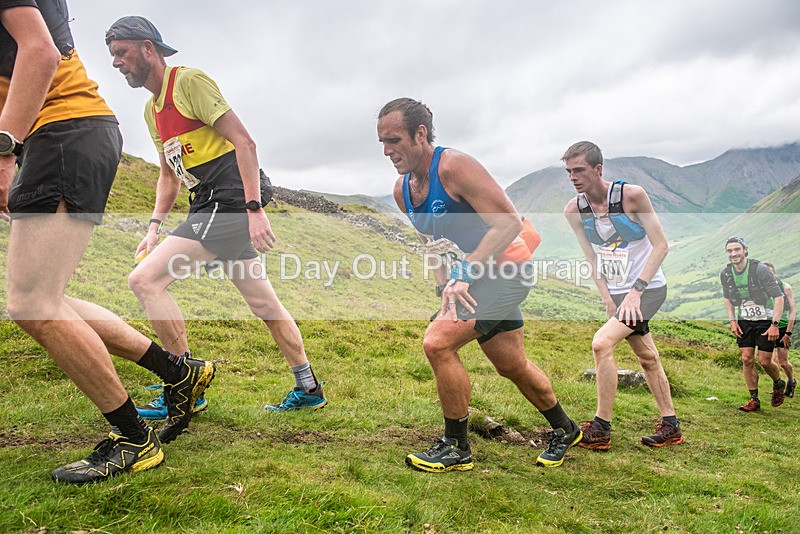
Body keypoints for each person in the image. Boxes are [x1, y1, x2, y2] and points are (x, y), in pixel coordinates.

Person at [1, 0, 214, 484]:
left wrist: (4, 150)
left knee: (32, 304)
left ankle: (135, 440)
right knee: (45, 299)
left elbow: (40, 51)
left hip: (60, 132)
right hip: (66, 133)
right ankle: (178, 372)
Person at [105, 16, 327, 415]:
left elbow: (245, 141)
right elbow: (168, 175)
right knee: (264, 304)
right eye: (113, 56)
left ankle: (183, 384)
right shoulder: (151, 110)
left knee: (145, 281)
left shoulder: (188, 82)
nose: (116, 63)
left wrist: (253, 209)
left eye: (121, 53)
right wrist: (154, 227)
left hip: (230, 197)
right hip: (206, 200)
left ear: (147, 48)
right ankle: (308, 386)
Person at [377, 97, 581, 471]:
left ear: (420, 134)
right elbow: (432, 243)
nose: (388, 151)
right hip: (472, 281)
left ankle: (456, 447)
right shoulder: (401, 190)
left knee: (437, 343)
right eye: (383, 144)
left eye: (394, 141)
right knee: (511, 364)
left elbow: (508, 222)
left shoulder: (455, 167)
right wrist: (444, 290)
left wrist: (463, 274)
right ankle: (565, 428)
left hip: (507, 272)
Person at [562, 141, 683, 450]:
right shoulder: (574, 210)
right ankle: (671, 426)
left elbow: (661, 246)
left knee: (601, 344)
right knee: (647, 357)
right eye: (568, 171)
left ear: (597, 169)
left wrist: (635, 293)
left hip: (648, 288)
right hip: (616, 294)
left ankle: (600, 429)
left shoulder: (632, 196)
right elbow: (591, 258)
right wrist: (606, 297)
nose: (573, 177)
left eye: (579, 170)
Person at [720, 238, 786, 410]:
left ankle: (778, 383)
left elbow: (779, 298)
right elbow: (727, 298)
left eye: (737, 250)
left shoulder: (760, 270)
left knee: (764, 361)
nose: (733, 254)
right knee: (746, 359)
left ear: (745, 250)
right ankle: (754, 400)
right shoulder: (726, 273)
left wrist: (775, 325)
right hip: (744, 319)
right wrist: (733, 321)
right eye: (730, 251)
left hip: (766, 318)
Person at [763, 262, 796, 398]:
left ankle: (791, 381)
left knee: (783, 362)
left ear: (774, 273)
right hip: (768, 327)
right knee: (769, 361)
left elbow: (792, 310)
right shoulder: (761, 289)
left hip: (782, 327)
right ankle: (777, 386)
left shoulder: (785, 287)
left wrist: (788, 333)